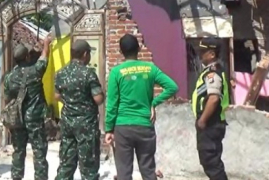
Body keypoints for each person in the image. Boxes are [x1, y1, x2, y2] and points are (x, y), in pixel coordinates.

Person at [104, 34, 179, 180]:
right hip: (145, 126)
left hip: (123, 127)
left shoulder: (116, 72)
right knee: (148, 170)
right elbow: (172, 87)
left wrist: (109, 129)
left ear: (120, 51)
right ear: (138, 49)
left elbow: (112, 104)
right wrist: (154, 103)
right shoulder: (150, 68)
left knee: (124, 172)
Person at [54, 39, 104, 180]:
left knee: (66, 162)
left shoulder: (60, 73)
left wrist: (70, 102)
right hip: (86, 125)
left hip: (67, 122)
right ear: (85, 54)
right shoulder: (88, 74)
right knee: (88, 165)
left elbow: (57, 96)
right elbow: (98, 99)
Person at [3, 36, 52, 180]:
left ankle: (16, 177)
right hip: (35, 119)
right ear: (27, 56)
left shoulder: (9, 77)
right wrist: (46, 44)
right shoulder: (35, 71)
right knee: (39, 151)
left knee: (18, 151)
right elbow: (44, 57)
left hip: (17, 119)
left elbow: (7, 98)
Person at [191, 38, 229, 180]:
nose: (200, 55)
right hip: (212, 123)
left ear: (212, 54)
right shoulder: (210, 72)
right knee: (210, 161)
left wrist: (202, 120)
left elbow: (213, 99)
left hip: (210, 124)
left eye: (203, 52)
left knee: (211, 161)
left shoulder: (213, 74)